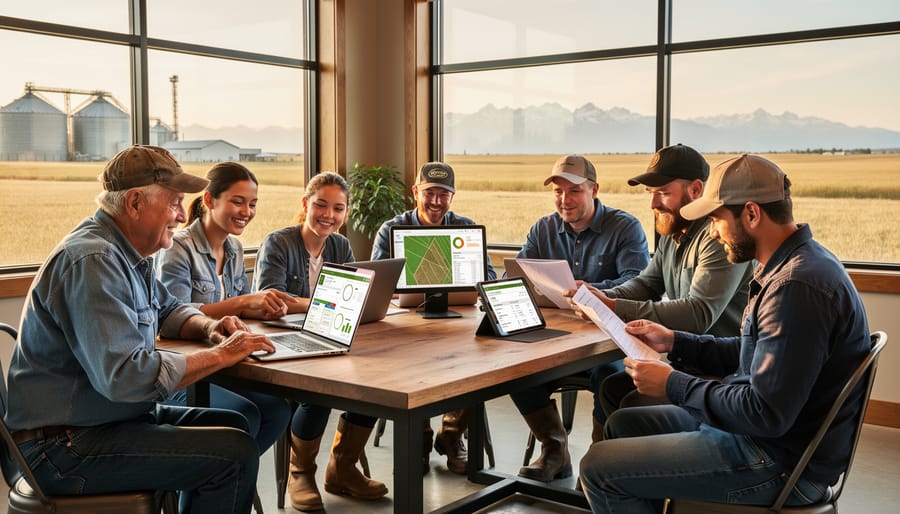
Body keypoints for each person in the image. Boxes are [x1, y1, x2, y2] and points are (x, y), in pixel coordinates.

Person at [579, 154, 871, 514]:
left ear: (751, 214)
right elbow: (752, 351)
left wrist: (673, 384)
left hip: (777, 463)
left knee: (598, 468)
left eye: (716, 219)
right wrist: (676, 341)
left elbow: (764, 413)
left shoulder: (797, 287)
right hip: (763, 440)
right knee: (626, 423)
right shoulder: (793, 265)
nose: (713, 232)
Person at [4, 145, 275, 513]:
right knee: (234, 455)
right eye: (175, 203)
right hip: (62, 448)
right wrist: (222, 354)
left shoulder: (127, 254)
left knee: (236, 426)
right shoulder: (94, 260)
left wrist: (210, 327)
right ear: (134, 203)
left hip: (105, 422)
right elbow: (127, 377)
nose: (182, 215)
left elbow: (169, 310)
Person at [575, 144, 752, 441]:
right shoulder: (674, 232)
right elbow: (647, 284)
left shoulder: (718, 236)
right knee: (613, 387)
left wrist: (614, 305)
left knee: (630, 406)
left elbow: (698, 314)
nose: (653, 204)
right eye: (650, 193)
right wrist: (603, 297)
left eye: (663, 192)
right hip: (688, 361)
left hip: (721, 371)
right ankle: (609, 472)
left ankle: (619, 475)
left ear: (696, 189)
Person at [509, 154, 650, 482]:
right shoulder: (542, 229)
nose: (564, 199)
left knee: (610, 374)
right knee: (512, 368)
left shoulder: (625, 227)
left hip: (606, 340)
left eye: (573, 191)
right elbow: (518, 277)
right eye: (558, 191)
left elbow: (637, 286)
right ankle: (554, 450)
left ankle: (598, 460)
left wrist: (592, 291)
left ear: (594, 190)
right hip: (555, 339)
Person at [253, 171, 387, 511]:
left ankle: (342, 467)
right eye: (321, 205)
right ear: (305, 204)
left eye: (338, 208)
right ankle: (301, 472)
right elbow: (272, 300)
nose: (329, 215)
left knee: (372, 380)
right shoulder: (279, 242)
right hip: (283, 344)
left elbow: (351, 296)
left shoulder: (340, 245)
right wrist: (324, 303)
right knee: (322, 391)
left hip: (327, 337)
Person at [156, 161, 296, 457]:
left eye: (253, 204)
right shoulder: (178, 247)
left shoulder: (233, 249)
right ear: (209, 200)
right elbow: (174, 313)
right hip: (187, 369)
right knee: (245, 415)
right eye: (238, 201)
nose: (247, 212)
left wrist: (265, 309)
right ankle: (219, 475)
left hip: (225, 363)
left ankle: (229, 473)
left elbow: (240, 309)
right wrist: (245, 302)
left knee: (278, 410)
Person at [370, 161, 497, 475]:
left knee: (483, 358)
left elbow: (490, 277)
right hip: (407, 327)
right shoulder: (391, 229)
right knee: (411, 363)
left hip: (458, 324)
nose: (437, 202)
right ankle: (420, 438)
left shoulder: (466, 228)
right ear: (416, 192)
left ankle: (452, 434)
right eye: (430, 193)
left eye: (444, 194)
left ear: (453, 196)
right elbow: (375, 281)